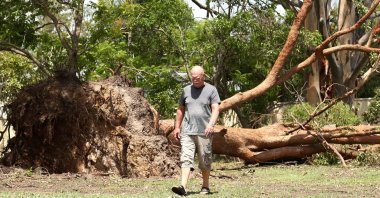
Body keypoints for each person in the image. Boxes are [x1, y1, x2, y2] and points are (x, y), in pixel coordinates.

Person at [171, 66, 220, 196]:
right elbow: (180, 109)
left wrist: (211, 125)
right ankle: (183, 187)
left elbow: (215, 109)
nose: (195, 80)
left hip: (205, 132)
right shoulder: (186, 90)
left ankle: (205, 186)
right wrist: (177, 127)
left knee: (205, 160)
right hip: (187, 131)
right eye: (193, 78)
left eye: (197, 78)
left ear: (203, 76)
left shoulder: (211, 90)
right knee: (186, 158)